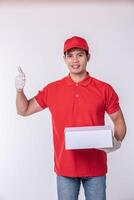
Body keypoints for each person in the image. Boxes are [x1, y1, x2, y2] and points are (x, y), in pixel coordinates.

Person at [15, 36, 126, 200]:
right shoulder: (52, 89)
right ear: (64, 59)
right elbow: (24, 110)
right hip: (65, 169)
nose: (75, 60)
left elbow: (118, 120)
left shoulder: (104, 89)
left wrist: (116, 142)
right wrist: (19, 90)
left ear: (88, 57)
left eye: (80, 55)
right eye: (70, 55)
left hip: (95, 168)